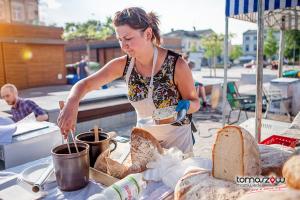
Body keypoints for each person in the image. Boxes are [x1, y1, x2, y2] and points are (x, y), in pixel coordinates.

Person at [57, 7, 199, 153]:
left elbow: (196, 102)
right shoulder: (123, 65)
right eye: (120, 40)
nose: (124, 46)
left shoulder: (177, 65)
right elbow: (85, 84)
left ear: (148, 34)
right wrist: (72, 103)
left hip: (177, 145)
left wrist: (186, 105)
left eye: (129, 38)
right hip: (144, 144)